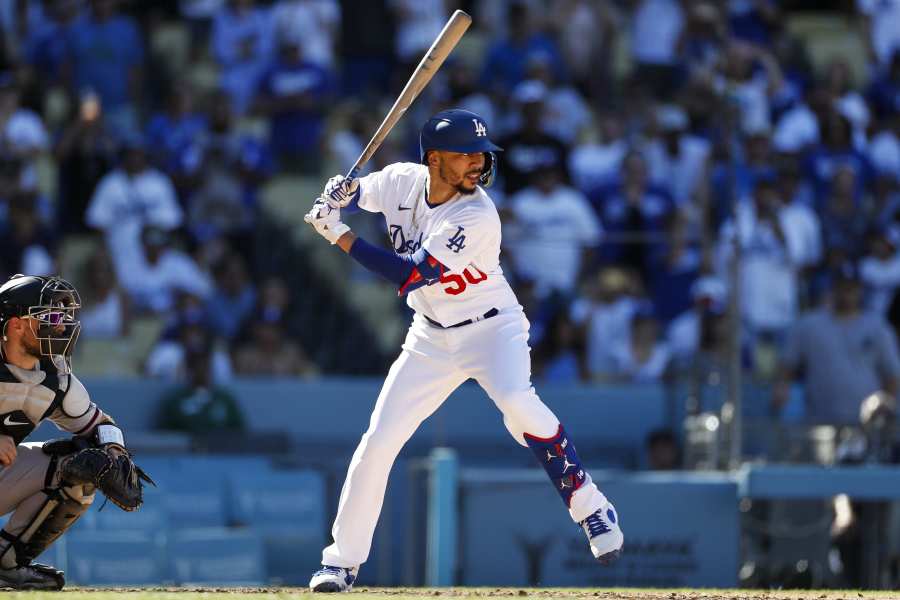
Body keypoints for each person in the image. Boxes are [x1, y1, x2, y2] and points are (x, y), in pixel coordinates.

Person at [303, 108, 623, 592]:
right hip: (430, 335)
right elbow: (363, 191)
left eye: (481, 153)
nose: (478, 162)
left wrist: (338, 234)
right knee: (379, 442)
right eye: (466, 154)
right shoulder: (400, 180)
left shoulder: (477, 214)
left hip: (492, 330)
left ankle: (589, 502)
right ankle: (340, 564)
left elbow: (412, 274)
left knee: (517, 404)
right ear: (434, 159)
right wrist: (341, 193)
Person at [0, 274, 138, 589]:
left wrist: (114, 455)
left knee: (80, 465)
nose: (61, 325)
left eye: (63, 316)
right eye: (49, 316)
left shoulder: (56, 378)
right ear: (16, 324)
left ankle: (6, 564)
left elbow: (100, 426)